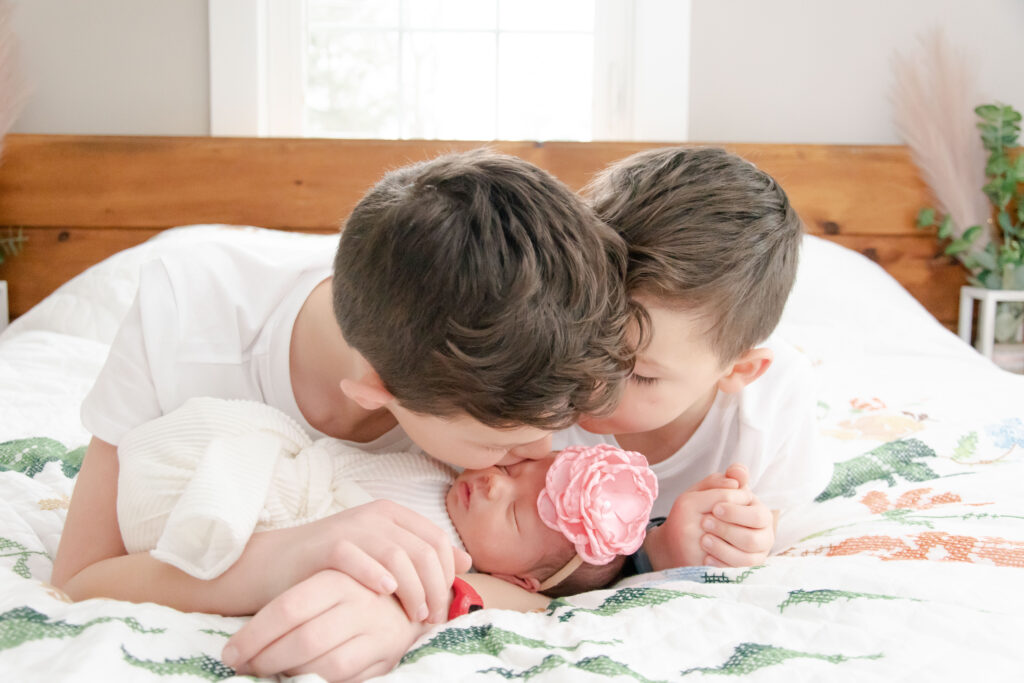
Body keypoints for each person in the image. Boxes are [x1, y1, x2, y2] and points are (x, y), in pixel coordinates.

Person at [50, 150, 638, 678]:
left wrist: (406, 605)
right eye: (498, 447)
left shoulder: (543, 351)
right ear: (374, 393)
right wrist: (293, 555)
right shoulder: (179, 316)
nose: (540, 456)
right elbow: (80, 580)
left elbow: (554, 587)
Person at [555, 146, 833, 573]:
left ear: (738, 371)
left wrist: (740, 536)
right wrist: (649, 555)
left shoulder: (773, 401)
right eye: (585, 342)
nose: (591, 383)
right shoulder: (538, 376)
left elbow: (762, 527)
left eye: (639, 374)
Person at [115, 396, 660, 601]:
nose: (496, 482)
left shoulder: (442, 560)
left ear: (519, 579)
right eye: (518, 468)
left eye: (515, 515)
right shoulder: (445, 462)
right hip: (272, 460)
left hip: (271, 516)